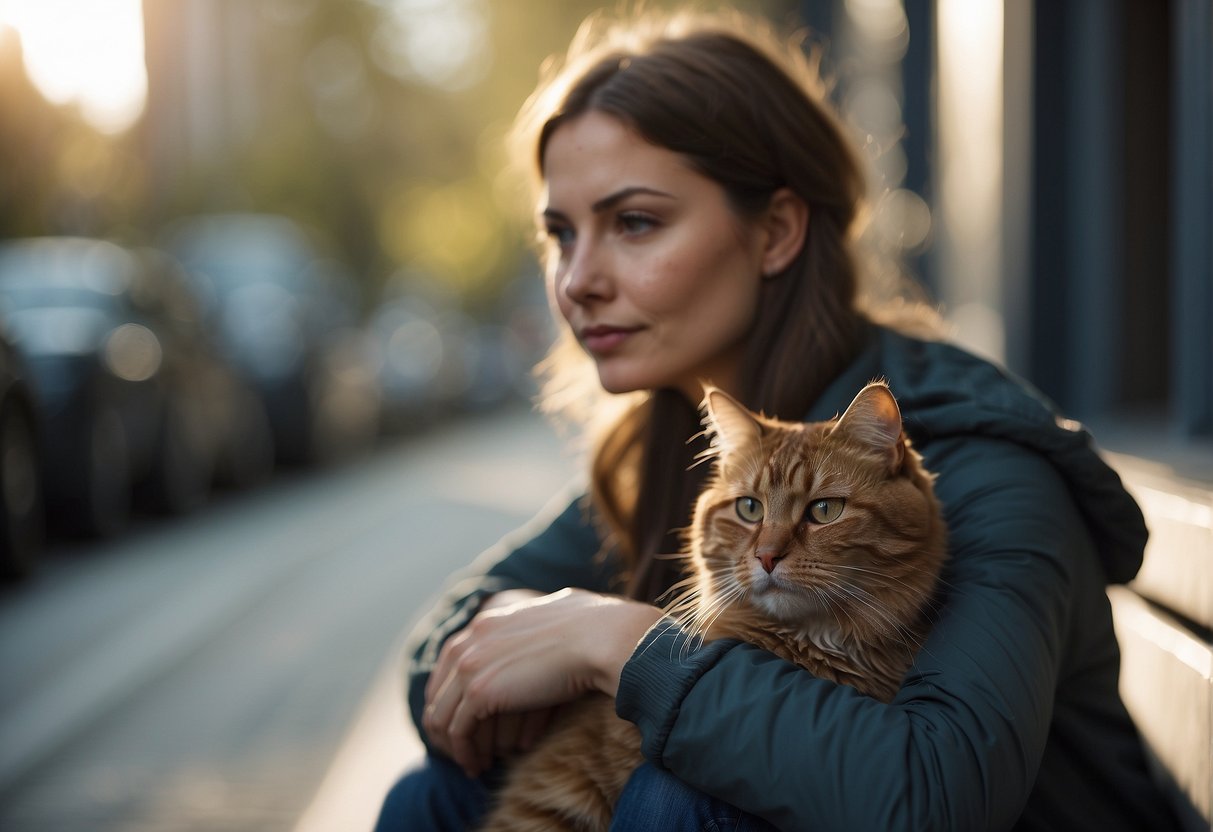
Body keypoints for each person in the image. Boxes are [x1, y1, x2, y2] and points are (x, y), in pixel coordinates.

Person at [374, 7, 1178, 831]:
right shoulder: (685, 443)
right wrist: (519, 648)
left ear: (776, 232)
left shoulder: (979, 460)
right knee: (430, 802)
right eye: (559, 235)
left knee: (681, 797)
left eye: (634, 223)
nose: (577, 280)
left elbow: (933, 797)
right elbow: (446, 654)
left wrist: (613, 645)